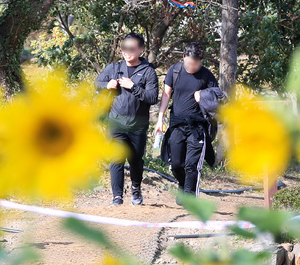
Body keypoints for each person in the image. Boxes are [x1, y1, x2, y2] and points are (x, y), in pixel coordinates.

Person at [155, 42, 226, 203]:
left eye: (196, 64)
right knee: (176, 164)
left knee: (191, 164)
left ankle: (190, 198)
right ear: (184, 57)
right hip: (177, 125)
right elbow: (166, 95)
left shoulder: (207, 75)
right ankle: (182, 184)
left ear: (201, 61)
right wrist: (160, 118)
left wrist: (204, 96)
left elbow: (218, 99)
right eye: (189, 63)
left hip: (198, 127)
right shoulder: (175, 70)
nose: (192, 67)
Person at [95, 33, 159, 206]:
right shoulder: (114, 68)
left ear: (140, 49)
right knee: (116, 159)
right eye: (124, 48)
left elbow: (153, 97)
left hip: (138, 125)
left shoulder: (148, 72)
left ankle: (136, 188)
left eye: (131, 49)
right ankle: (117, 197)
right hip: (116, 122)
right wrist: (106, 85)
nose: (127, 52)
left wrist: (134, 87)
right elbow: (97, 83)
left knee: (136, 160)